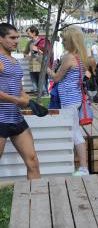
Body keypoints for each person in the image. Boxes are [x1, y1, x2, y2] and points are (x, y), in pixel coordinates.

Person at [47, 26, 89, 176]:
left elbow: (56, 78)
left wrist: (45, 68)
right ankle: (77, 166)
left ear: (71, 41)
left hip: (68, 100)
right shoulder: (81, 57)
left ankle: (83, 168)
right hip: (76, 98)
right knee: (74, 131)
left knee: (75, 133)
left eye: (65, 39)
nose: (63, 42)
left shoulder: (69, 57)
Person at [0, 23, 40, 179]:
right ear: (1, 39)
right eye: (12, 38)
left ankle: (37, 200)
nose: (16, 41)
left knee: (33, 161)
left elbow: (19, 89)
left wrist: (28, 100)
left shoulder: (15, 62)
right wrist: (16, 100)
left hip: (16, 119)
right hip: (1, 119)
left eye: (17, 37)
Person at [24, 26, 48, 95]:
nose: (27, 35)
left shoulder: (42, 41)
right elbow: (25, 52)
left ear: (34, 33)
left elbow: (47, 52)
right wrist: (27, 55)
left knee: (42, 79)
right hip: (32, 63)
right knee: (33, 79)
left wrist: (37, 49)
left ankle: (45, 93)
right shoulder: (29, 43)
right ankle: (36, 92)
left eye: (28, 33)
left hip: (41, 63)